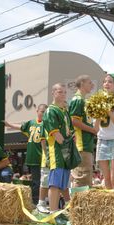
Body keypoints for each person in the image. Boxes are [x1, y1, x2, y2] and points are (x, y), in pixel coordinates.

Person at [3, 104, 48, 204]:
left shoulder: (48, 125)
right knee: (36, 181)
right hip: (32, 157)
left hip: (43, 158)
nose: (43, 114)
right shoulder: (31, 123)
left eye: (45, 112)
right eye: (42, 111)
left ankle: (40, 201)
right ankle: (36, 202)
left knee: (42, 181)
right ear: (37, 111)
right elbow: (21, 127)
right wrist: (9, 125)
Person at [42, 83, 74, 217]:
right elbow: (57, 135)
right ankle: (53, 213)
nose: (63, 94)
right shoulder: (50, 111)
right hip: (56, 151)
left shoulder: (65, 111)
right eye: (60, 92)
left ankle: (68, 209)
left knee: (64, 183)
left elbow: (71, 131)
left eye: (65, 92)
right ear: (53, 93)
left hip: (65, 151)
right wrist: (66, 142)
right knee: (54, 184)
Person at [69, 75, 98, 188]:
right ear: (82, 84)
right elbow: (74, 120)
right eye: (89, 82)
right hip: (81, 144)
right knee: (82, 177)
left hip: (87, 143)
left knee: (85, 177)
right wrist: (92, 130)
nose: (92, 85)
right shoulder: (78, 100)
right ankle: (77, 204)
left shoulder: (84, 100)